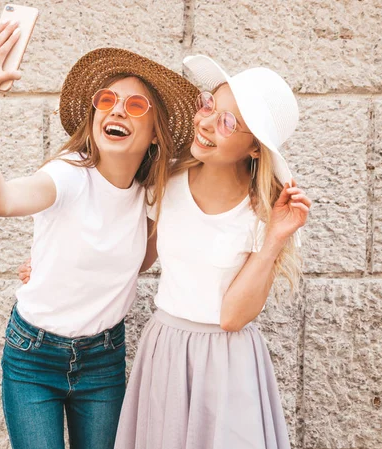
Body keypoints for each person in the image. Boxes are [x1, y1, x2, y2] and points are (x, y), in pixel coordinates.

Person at [0, 20, 198, 449]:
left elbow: (137, 263)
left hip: (103, 359)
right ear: (95, 114)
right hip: (34, 356)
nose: (117, 110)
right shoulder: (66, 176)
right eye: (108, 100)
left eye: (136, 105)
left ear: (155, 133)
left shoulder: (153, 196)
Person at [112, 55, 310, 449]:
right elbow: (135, 259)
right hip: (166, 350)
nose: (205, 123)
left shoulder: (264, 214)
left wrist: (274, 239)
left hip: (228, 362)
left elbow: (233, 316)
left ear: (254, 147)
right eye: (209, 106)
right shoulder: (164, 182)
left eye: (228, 122)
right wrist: (58, 265)